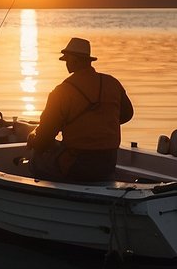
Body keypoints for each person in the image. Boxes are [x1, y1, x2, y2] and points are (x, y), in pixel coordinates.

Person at [26, 37, 134, 182]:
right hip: (108, 163)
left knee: (35, 156)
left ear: (75, 60)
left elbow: (45, 136)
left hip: (77, 166)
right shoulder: (112, 83)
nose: (66, 63)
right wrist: (100, 124)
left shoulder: (62, 92)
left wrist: (33, 140)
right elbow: (127, 114)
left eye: (67, 59)